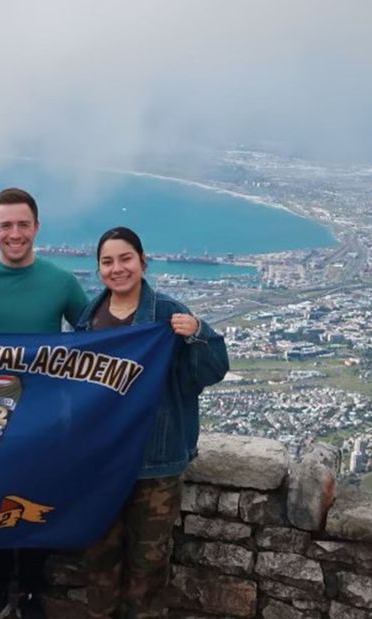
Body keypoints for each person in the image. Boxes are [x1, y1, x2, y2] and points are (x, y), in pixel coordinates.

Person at [75, 226, 228, 619]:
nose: (117, 268)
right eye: (107, 262)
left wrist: (199, 334)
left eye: (125, 259)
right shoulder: (87, 322)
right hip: (101, 465)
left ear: (143, 262)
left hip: (155, 464)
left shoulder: (168, 314)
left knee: (149, 565)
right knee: (99, 559)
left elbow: (211, 372)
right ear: (98, 269)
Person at [0, 187, 88, 619]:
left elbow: (101, 337)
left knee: (36, 502)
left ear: (36, 228)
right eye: (6, 226)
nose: (14, 234)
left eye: (22, 225)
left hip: (43, 417)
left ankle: (33, 593)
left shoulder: (61, 281)